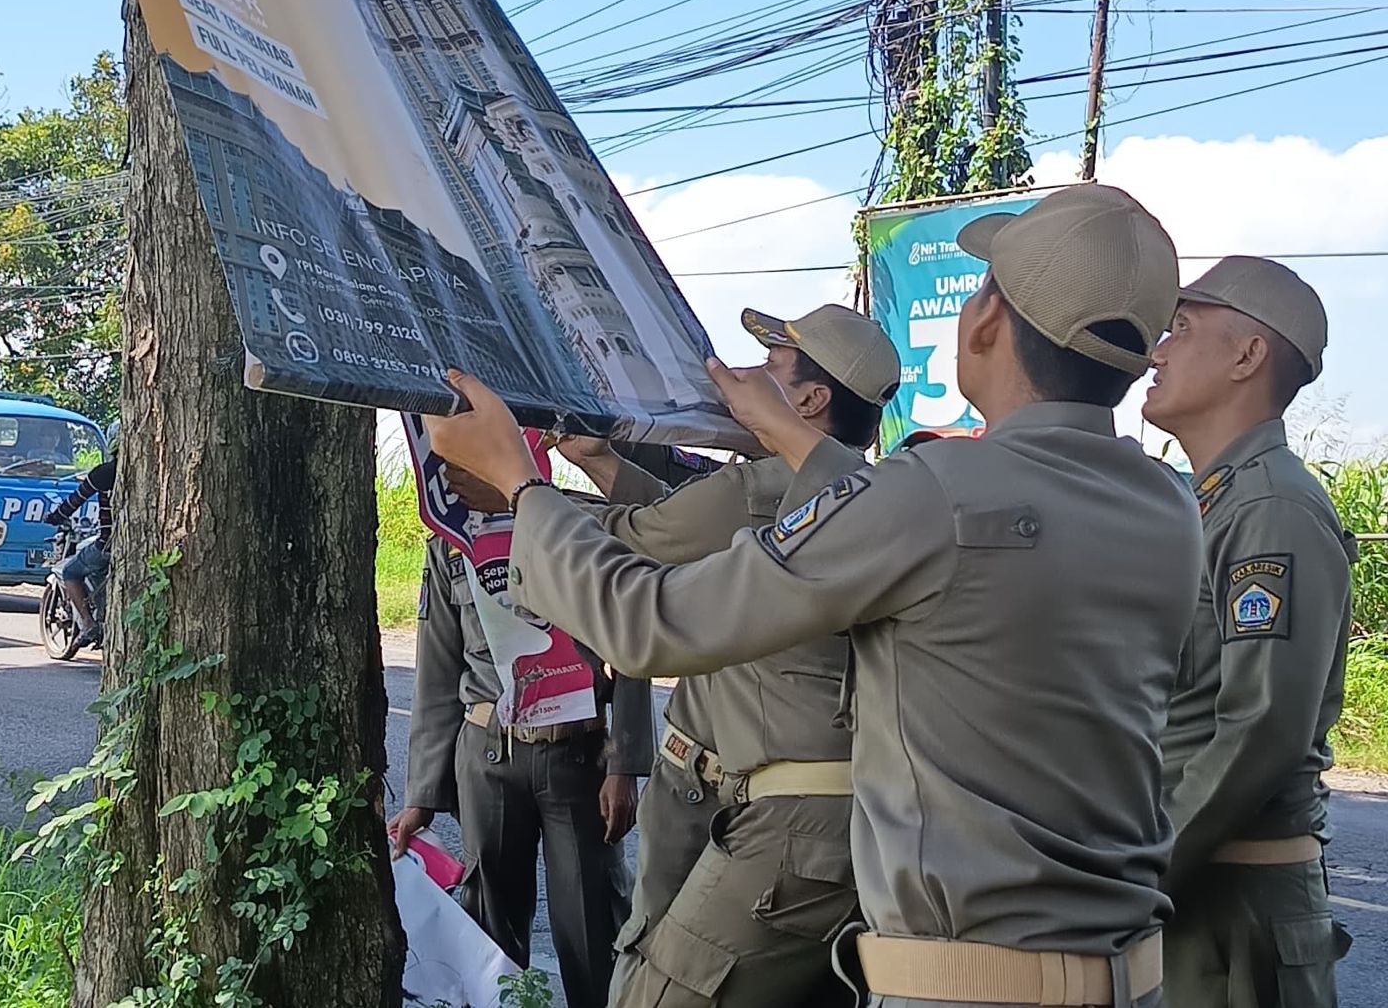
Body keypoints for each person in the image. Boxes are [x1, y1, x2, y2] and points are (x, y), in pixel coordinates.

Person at [427, 183, 1204, 1008]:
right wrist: (788, 433)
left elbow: (652, 623)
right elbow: (906, 514)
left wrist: (519, 482)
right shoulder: (1168, 508)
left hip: (965, 984)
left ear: (985, 321)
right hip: (1125, 976)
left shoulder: (935, 491)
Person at [546, 305, 900, 1007]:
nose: (741, 378)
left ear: (809, 401)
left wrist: (516, 495)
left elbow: (638, 543)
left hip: (762, 812)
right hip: (836, 813)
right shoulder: (856, 494)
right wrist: (603, 463)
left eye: (769, 368)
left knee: (658, 986)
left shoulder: (760, 488)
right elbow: (688, 526)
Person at [1143, 257, 1355, 1006]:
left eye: (1180, 329)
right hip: (1199, 891)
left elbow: (1263, 725)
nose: (1157, 352)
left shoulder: (1271, 508)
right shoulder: (1217, 503)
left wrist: (1142, 873)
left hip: (1231, 905)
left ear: (1247, 356)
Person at [389, 487, 653, 1008]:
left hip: (579, 754)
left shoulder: (584, 522)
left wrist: (623, 765)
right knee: (490, 936)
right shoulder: (451, 540)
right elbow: (437, 673)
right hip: (488, 757)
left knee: (592, 923)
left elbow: (631, 643)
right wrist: (422, 796)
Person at [46, 424, 118, 648]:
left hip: (107, 545)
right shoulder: (146, 471)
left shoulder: (104, 472)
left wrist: (54, 517)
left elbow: (74, 501)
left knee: (70, 571)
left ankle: (88, 623)